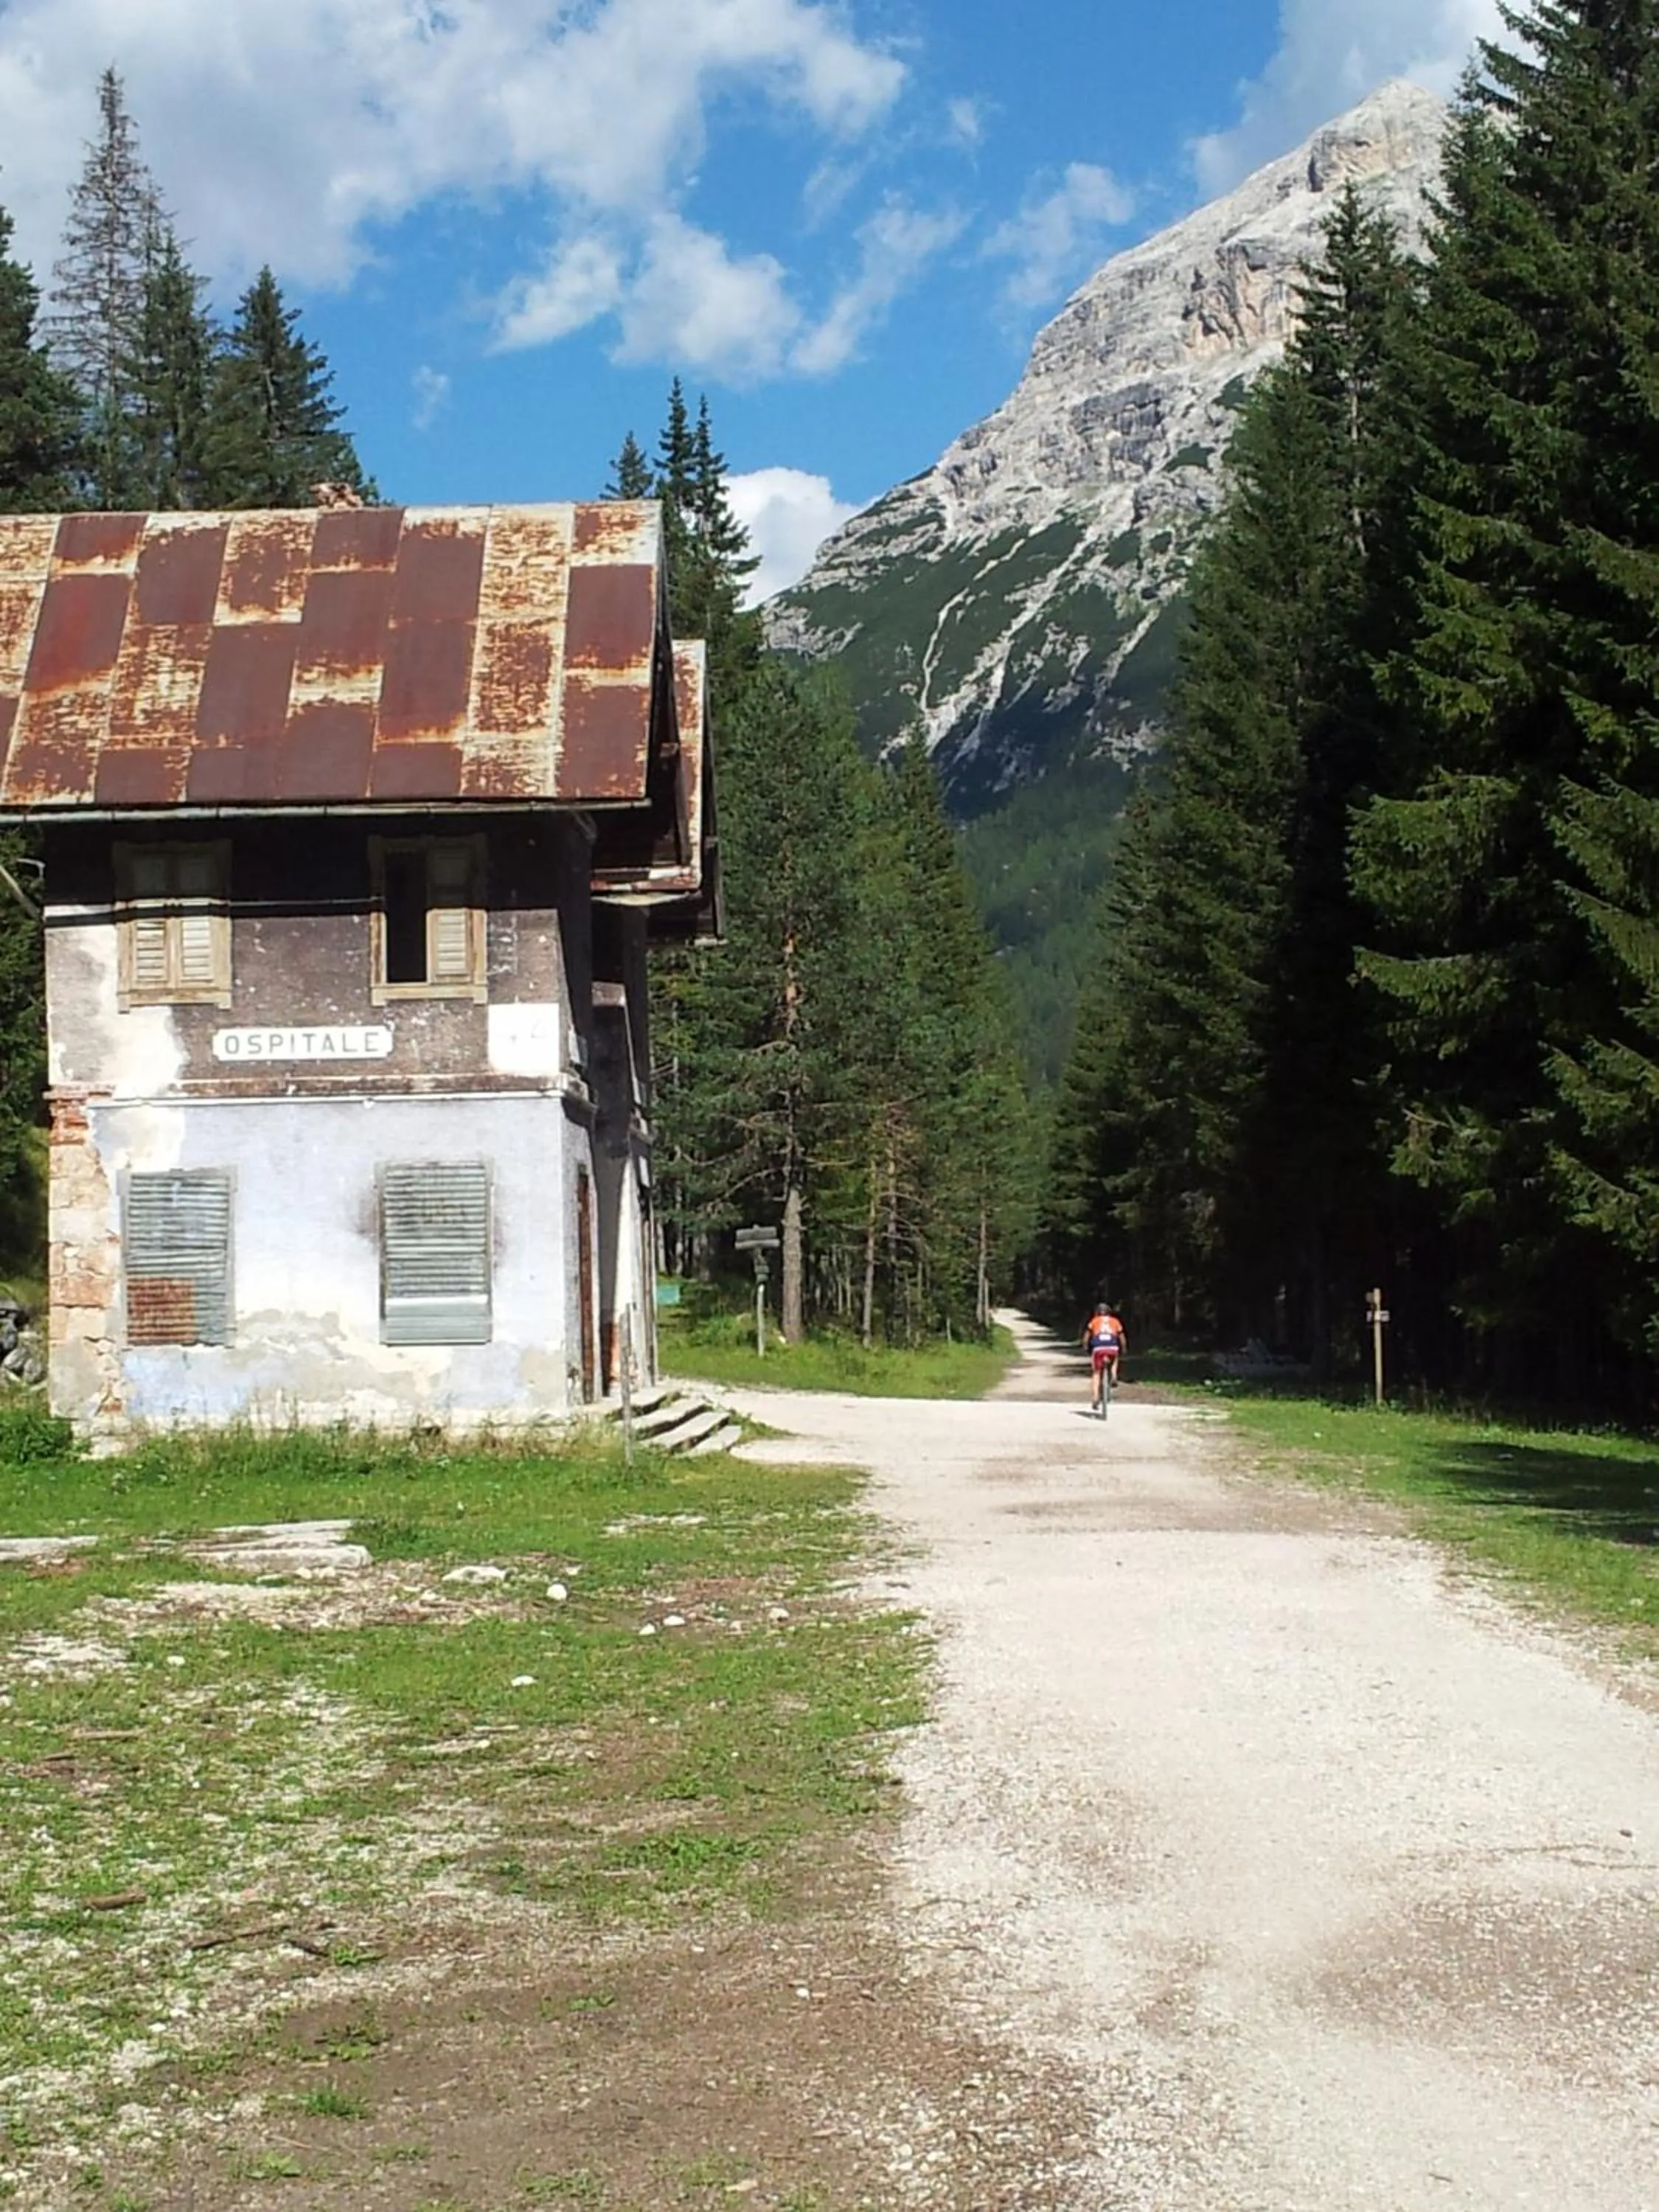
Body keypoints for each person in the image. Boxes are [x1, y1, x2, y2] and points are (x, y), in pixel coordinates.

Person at [1082, 1299, 1126, 1412]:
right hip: (1112, 1347)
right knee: (1115, 1359)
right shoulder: (1115, 1321)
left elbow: (1087, 1336)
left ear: (1097, 1312)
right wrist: (1123, 1348)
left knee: (1096, 1373)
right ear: (1109, 1312)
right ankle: (1114, 1376)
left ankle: (1096, 1397)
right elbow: (1121, 1336)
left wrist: (1085, 1346)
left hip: (1099, 1348)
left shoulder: (1094, 1321)